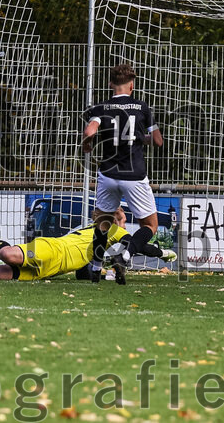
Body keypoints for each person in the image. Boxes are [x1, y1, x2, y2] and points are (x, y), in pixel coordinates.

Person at [81, 63, 164, 283]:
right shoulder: (142, 107)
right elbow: (157, 141)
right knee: (150, 225)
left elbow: (90, 131)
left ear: (110, 84)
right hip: (134, 175)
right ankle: (125, 255)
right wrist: (140, 138)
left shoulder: (101, 108)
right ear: (132, 86)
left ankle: (96, 268)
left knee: (102, 223)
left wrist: (87, 143)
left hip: (108, 174)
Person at [0, 208, 131, 281]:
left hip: (51, 269)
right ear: (115, 220)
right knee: (8, 255)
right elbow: (135, 242)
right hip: (54, 250)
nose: (125, 225)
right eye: (123, 220)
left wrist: (108, 275)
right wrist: (150, 249)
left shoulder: (99, 237)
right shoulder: (115, 230)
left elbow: (82, 274)